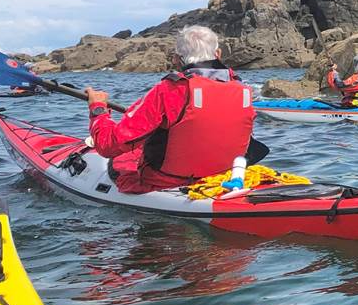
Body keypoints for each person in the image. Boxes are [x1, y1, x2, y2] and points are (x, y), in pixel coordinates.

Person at [84, 25, 256, 194]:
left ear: (176, 58)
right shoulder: (244, 90)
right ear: (218, 54)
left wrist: (98, 109)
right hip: (222, 178)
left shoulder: (169, 90)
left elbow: (108, 146)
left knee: (120, 159)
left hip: (163, 182)